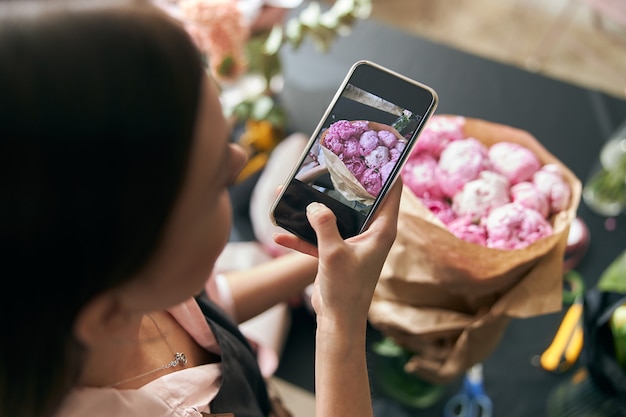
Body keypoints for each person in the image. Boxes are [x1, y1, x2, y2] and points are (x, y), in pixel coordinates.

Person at [0, 1, 402, 416]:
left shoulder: (119, 285)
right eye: (218, 184)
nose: (240, 158)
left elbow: (205, 307)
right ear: (106, 313)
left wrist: (322, 263)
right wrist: (341, 324)